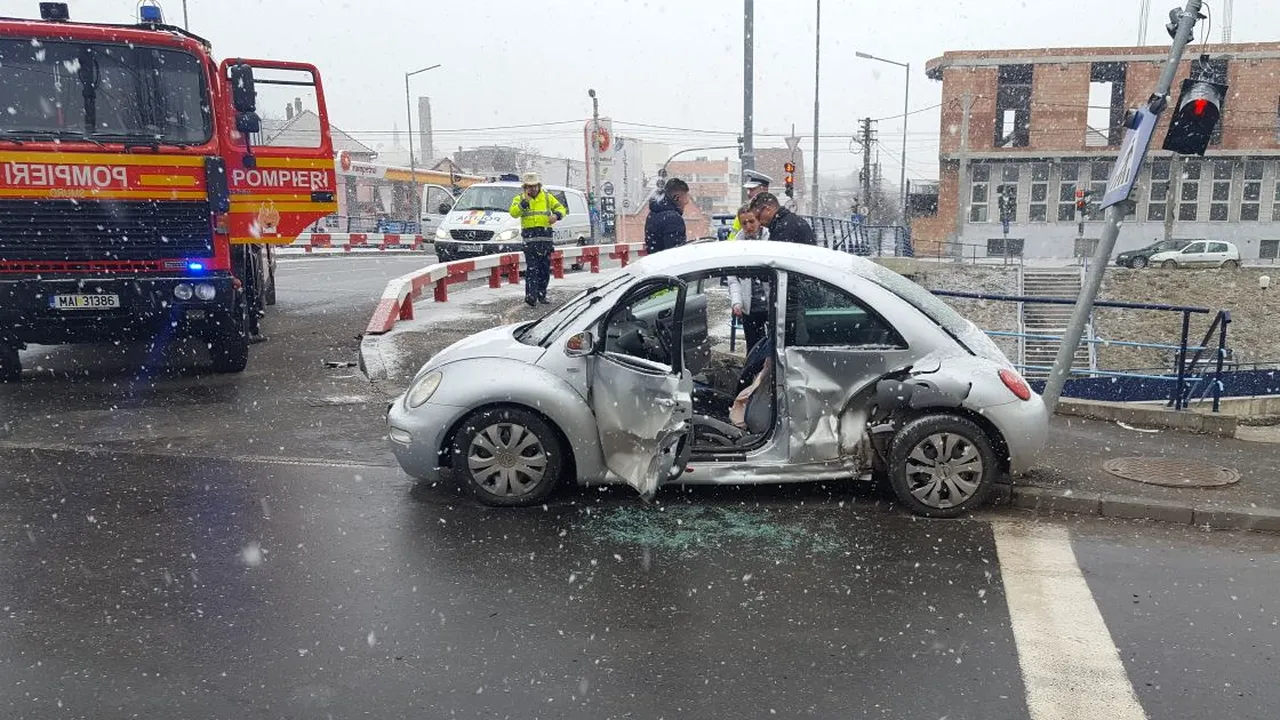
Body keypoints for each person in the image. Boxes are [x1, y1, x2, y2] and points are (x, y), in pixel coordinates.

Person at [509, 172, 566, 307]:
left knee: (544, 270)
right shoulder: (519, 199)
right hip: (530, 241)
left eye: (535, 186)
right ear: (525, 188)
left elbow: (561, 208)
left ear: (539, 186)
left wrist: (556, 216)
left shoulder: (547, 197)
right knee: (532, 269)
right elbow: (513, 213)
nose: (533, 189)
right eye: (530, 186)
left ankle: (542, 294)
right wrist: (524, 204)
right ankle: (531, 296)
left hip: (545, 240)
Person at [727, 205, 771, 353]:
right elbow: (733, 279)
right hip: (749, 307)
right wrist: (737, 302)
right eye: (744, 223)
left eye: (751, 221)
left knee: (773, 347)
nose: (748, 227)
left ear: (759, 221)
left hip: (771, 304)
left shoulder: (770, 240)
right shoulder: (737, 246)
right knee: (753, 348)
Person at [749, 192, 816, 246]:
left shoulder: (783, 228)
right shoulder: (788, 222)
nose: (759, 222)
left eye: (758, 217)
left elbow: (778, 256)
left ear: (767, 210)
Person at [644, 178, 690, 255]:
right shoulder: (673, 219)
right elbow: (675, 253)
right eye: (685, 197)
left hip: (654, 260)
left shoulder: (653, 214)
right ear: (676, 198)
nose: (687, 201)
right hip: (667, 262)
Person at [731, 170, 774, 234]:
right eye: (748, 190)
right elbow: (733, 236)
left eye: (752, 189)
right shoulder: (743, 212)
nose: (748, 193)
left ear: (764, 189)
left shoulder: (773, 212)